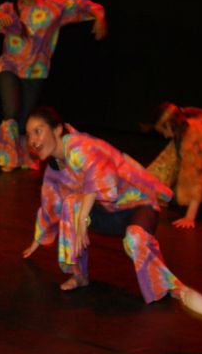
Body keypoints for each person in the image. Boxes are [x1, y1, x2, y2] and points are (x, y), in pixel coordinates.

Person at [21, 106, 182, 303]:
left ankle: (164, 285)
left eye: (37, 131)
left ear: (57, 130)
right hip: (109, 212)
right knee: (70, 204)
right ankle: (79, 275)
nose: (33, 140)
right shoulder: (53, 171)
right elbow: (50, 205)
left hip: (138, 204)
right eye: (29, 135)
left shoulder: (80, 145)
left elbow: (98, 173)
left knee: (135, 238)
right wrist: (37, 239)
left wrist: (82, 218)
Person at [0, 0, 106, 171]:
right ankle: (8, 157)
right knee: (11, 110)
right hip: (9, 64)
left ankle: (22, 155)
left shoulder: (52, 6)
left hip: (36, 69)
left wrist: (99, 17)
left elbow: (85, 6)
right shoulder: (8, 8)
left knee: (24, 116)